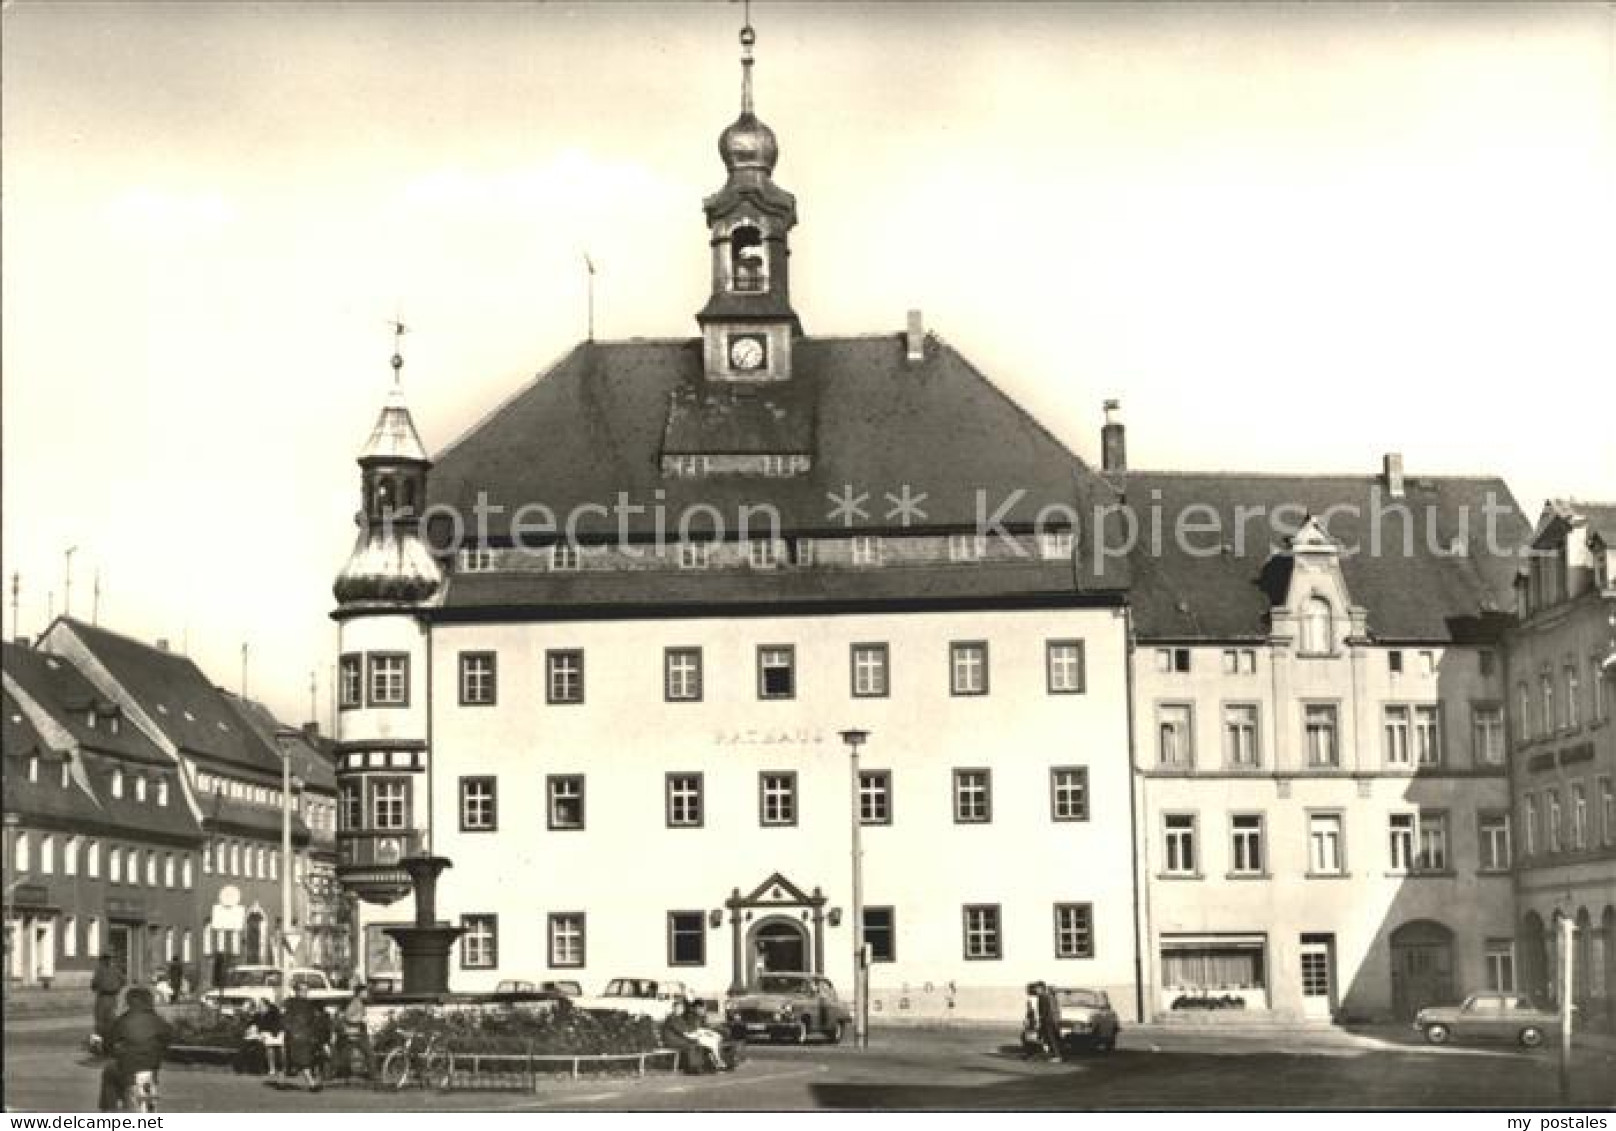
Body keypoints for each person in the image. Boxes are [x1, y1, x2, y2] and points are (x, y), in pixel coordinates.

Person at [98, 986, 171, 1112]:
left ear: (129, 1002)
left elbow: (108, 1043)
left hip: (128, 1068)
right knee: (147, 1094)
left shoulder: (123, 1021)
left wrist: (110, 1050)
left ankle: (109, 1111)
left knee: (109, 1072)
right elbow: (167, 1039)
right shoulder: (158, 1021)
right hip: (150, 1068)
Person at [280, 981, 330, 1092]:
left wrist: (313, 1034)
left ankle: (282, 1082)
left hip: (306, 1036)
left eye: (306, 990)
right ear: (296, 991)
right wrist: (290, 1030)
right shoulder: (290, 1003)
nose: (304, 992)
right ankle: (311, 1084)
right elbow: (285, 1019)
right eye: (302, 990)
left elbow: (312, 1020)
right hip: (294, 1036)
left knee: (297, 1060)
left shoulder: (309, 1004)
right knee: (301, 1060)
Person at [90, 954, 126, 1051]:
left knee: (99, 1022)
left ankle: (97, 1045)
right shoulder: (116, 970)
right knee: (111, 1021)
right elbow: (123, 981)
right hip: (113, 998)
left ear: (102, 960)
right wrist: (117, 988)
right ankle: (110, 1044)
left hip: (102, 998)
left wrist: (98, 988)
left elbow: (93, 985)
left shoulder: (99, 971)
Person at [335, 983, 372, 1078]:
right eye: (365, 992)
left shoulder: (358, 1002)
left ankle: (340, 1073)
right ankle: (373, 1075)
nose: (367, 993)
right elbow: (347, 1016)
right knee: (369, 1053)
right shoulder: (356, 1003)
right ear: (360, 993)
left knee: (345, 1053)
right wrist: (359, 1020)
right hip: (356, 1031)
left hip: (354, 1031)